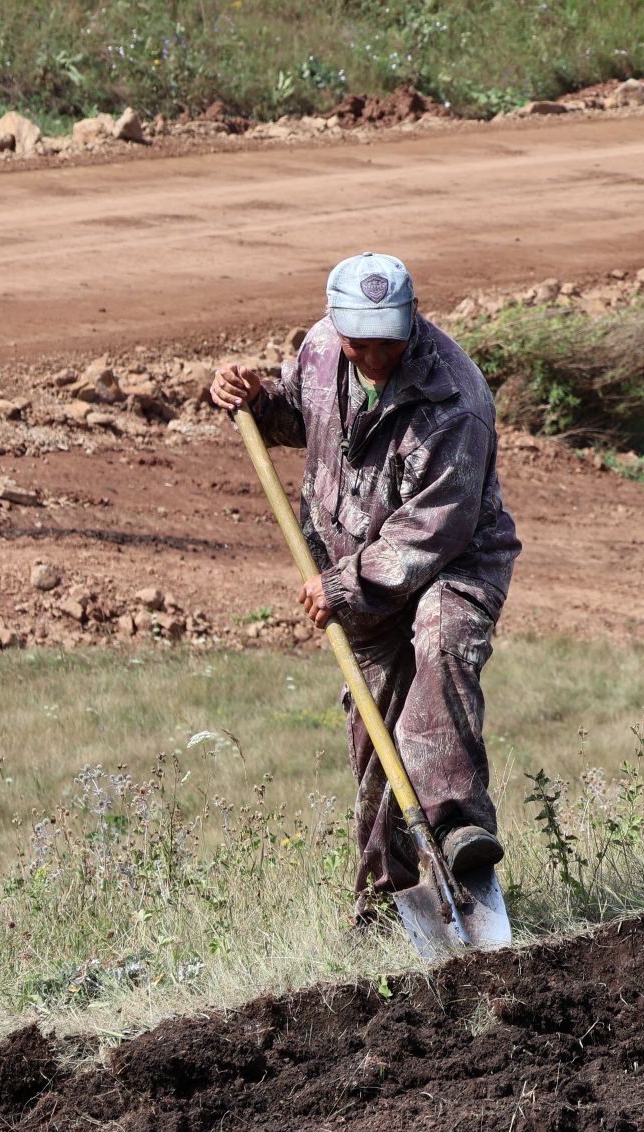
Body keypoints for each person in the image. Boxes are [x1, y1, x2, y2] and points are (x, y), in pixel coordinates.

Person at [211, 252, 520, 903]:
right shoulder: (322, 349)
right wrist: (257, 401)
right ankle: (387, 895)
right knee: (373, 731)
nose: (375, 356)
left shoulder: (455, 401)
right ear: (336, 326)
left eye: (388, 340)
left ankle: (459, 828)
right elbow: (298, 417)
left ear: (411, 322)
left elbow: (433, 529)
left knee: (441, 642)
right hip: (353, 565)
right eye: (361, 342)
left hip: (452, 563)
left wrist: (343, 586)